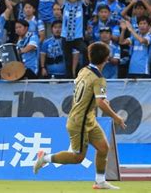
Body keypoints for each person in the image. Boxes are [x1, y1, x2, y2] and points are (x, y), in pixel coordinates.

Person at [33, 42, 127, 190]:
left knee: (103, 148)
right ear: (106, 59)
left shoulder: (84, 70)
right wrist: (116, 117)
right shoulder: (99, 78)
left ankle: (100, 181)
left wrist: (98, 100)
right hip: (80, 122)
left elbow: (90, 95)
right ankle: (44, 158)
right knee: (77, 157)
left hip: (87, 118)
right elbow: (100, 102)